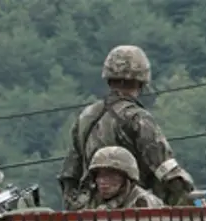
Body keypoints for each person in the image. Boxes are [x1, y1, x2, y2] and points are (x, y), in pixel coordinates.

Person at [58, 45, 196, 210]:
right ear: (142, 80)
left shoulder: (85, 117)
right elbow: (168, 172)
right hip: (137, 213)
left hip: (92, 215)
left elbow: (69, 176)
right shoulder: (138, 118)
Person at [84, 146, 164, 209]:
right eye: (100, 175)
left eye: (111, 176)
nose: (103, 181)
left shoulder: (143, 202)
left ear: (126, 178)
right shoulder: (92, 202)